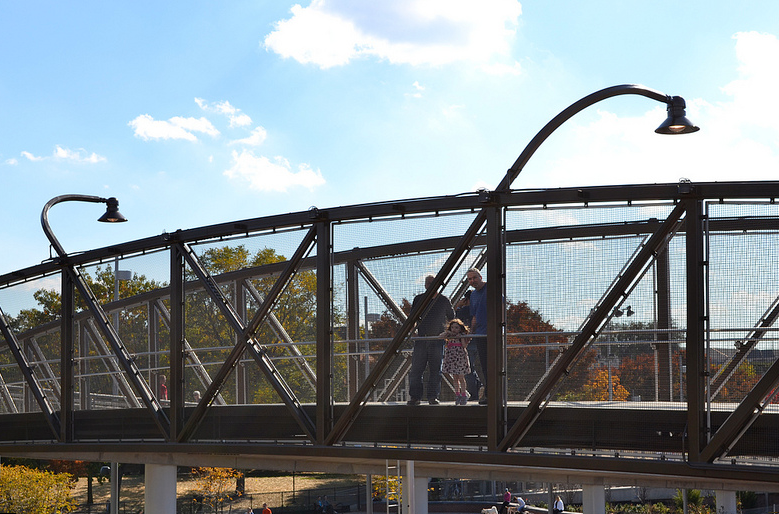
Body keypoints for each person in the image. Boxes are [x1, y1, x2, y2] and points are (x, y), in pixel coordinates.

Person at [408, 275, 455, 405]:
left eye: (431, 283)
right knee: (416, 370)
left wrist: (447, 332)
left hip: (437, 339)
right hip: (422, 339)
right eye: (427, 283)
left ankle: (432, 397)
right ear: (424, 285)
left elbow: (452, 318)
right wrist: (414, 333)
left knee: (436, 370)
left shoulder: (444, 300)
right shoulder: (418, 299)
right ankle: (415, 397)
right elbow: (412, 318)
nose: (429, 285)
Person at [466, 268, 488, 404]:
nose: (472, 281)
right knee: (485, 365)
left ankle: (492, 394)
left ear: (480, 276)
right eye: (470, 279)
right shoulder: (473, 295)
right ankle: (488, 394)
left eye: (474, 277)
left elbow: (502, 305)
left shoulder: (491, 288)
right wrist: (471, 333)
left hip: (492, 333)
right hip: (480, 334)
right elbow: (474, 316)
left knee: (494, 365)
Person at [456, 290, 481, 401]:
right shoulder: (478, 309)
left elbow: (454, 319)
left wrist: (459, 305)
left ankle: (473, 393)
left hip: (467, 342)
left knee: (468, 369)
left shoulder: (464, 310)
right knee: (473, 367)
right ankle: (479, 386)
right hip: (479, 341)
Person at [440, 318, 471, 405]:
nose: (454, 329)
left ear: (460, 328)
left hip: (460, 357)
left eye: (456, 327)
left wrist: (461, 338)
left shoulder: (461, 336)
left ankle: (464, 394)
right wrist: (448, 333)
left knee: (461, 377)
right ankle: (457, 395)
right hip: (451, 358)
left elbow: (464, 346)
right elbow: (440, 336)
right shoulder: (449, 336)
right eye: (452, 327)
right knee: (455, 378)